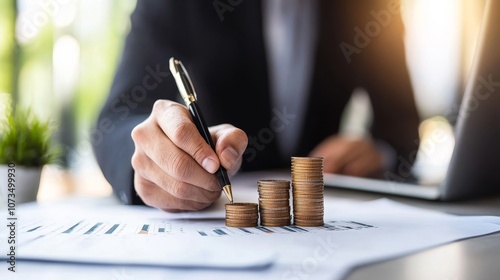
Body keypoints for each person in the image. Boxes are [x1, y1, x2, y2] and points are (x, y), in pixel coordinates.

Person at [92, 0, 421, 212]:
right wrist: (152, 163)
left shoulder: (372, 8)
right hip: (214, 215)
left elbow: (403, 123)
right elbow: (116, 120)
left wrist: (380, 150)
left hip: (333, 213)